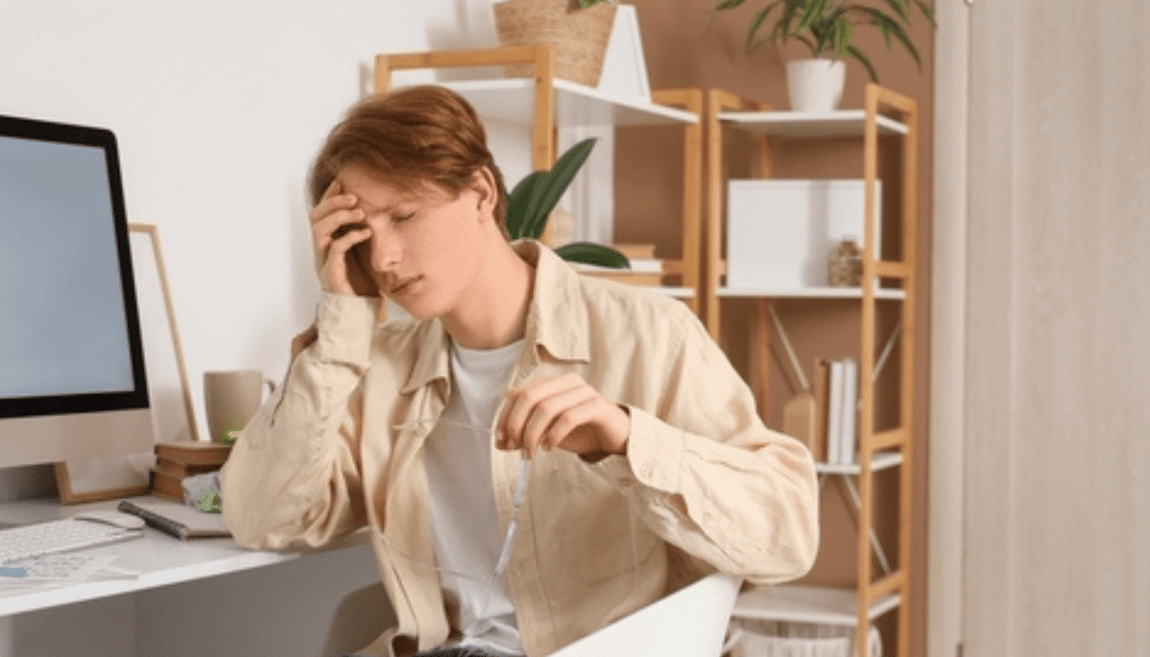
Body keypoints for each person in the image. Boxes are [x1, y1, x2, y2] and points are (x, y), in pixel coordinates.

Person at [220, 85, 819, 657]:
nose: (383, 259)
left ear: (481, 193)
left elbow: (788, 536)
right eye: (360, 236)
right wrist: (342, 318)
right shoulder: (377, 367)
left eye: (402, 216)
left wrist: (624, 439)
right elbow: (262, 519)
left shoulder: (647, 334)